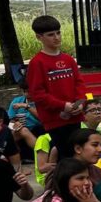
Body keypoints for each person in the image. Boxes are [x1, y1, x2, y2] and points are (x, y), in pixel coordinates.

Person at [25, 14, 87, 159]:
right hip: (55, 119)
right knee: (66, 155)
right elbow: (37, 94)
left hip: (75, 116)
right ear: (39, 37)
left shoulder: (68, 59)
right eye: (50, 34)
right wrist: (62, 106)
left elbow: (79, 83)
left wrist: (80, 102)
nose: (56, 37)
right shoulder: (37, 62)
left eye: (58, 33)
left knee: (78, 154)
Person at [70, 129, 101, 202]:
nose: (100, 149)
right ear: (78, 149)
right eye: (95, 145)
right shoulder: (64, 172)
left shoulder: (97, 171)